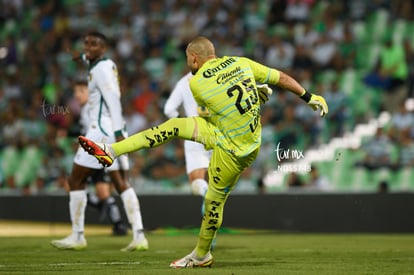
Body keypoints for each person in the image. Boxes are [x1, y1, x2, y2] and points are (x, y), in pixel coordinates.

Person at [78, 36, 328, 268]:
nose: (188, 64)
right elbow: (280, 77)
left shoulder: (197, 83)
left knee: (213, 202)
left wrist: (258, 96)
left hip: (234, 150)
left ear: (194, 58)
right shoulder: (241, 63)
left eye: (188, 59)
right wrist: (308, 96)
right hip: (234, 132)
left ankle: (201, 254)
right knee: (174, 126)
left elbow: (209, 112)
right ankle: (111, 151)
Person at [51, 31, 148, 252]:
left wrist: (118, 133)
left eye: (94, 44)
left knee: (75, 181)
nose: (88, 47)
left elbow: (113, 99)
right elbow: (90, 60)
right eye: (86, 43)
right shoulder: (103, 64)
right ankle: (139, 234)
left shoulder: (101, 69)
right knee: (122, 183)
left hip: (101, 133)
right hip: (110, 131)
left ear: (103, 48)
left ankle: (77, 236)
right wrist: (80, 57)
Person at [72, 78, 128, 236]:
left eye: (81, 91)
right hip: (98, 154)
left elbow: (98, 132)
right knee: (103, 192)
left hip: (95, 154)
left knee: (73, 185)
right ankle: (117, 223)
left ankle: (115, 223)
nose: (77, 95)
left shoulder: (90, 109)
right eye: (75, 91)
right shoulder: (88, 110)